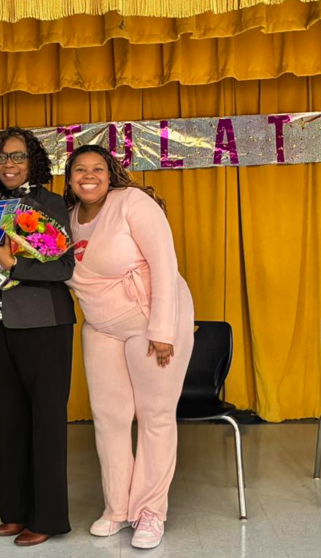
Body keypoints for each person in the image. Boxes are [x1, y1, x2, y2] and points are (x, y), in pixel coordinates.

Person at [63, 144, 194, 550]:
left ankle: (151, 512)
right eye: (80, 169)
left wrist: (163, 329)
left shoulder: (132, 202)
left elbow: (164, 263)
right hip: (100, 327)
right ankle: (118, 509)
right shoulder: (66, 221)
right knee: (110, 420)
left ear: (110, 173)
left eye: (97, 168)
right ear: (68, 179)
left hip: (151, 322)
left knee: (154, 415)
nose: (89, 175)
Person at [0, 127, 76, 547]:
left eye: (18, 156)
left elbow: (62, 268)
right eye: (2, 158)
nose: (9, 164)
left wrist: (13, 266)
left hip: (44, 326)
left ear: (33, 160)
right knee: (9, 419)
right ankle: (14, 512)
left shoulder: (47, 204)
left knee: (46, 422)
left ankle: (48, 517)